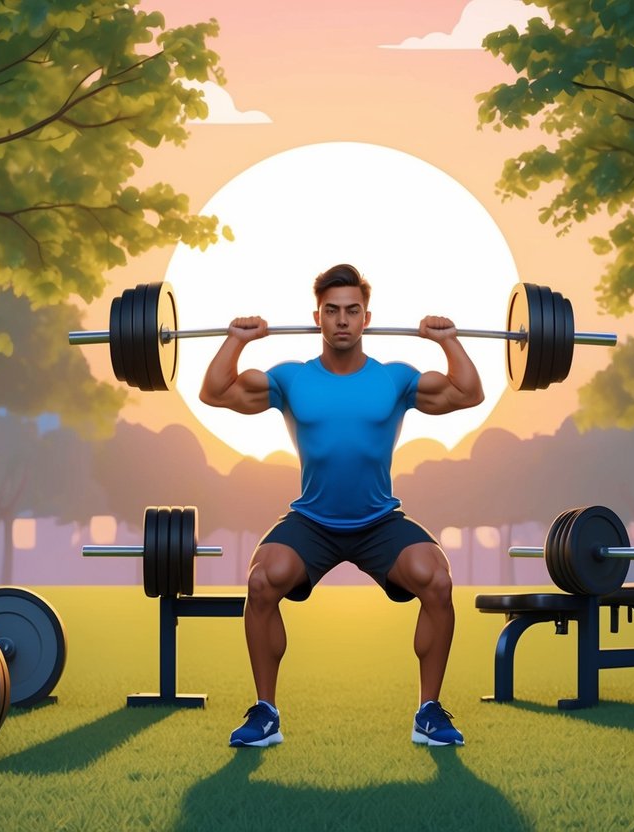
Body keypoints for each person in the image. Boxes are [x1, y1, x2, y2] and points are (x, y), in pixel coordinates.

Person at [199, 263, 484, 748]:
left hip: (379, 521)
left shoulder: (395, 379)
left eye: (352, 310)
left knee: (436, 578)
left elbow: (468, 393)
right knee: (262, 579)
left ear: (367, 317)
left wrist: (447, 340)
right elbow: (216, 392)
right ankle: (265, 713)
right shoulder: (291, 379)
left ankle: (429, 713)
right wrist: (237, 340)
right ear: (318, 317)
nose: (342, 320)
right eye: (332, 311)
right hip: (312, 520)